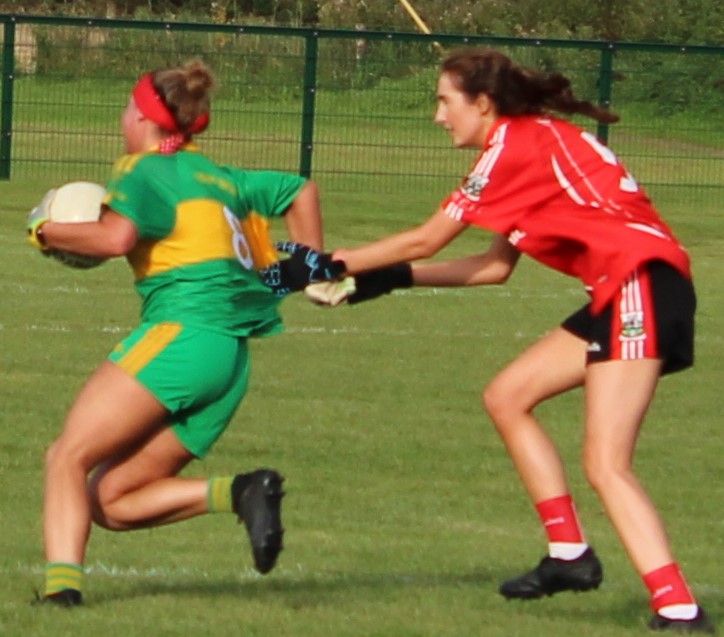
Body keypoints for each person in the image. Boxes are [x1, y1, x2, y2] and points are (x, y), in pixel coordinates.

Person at [274, 48, 714, 633]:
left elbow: (426, 239)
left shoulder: (512, 146)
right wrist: (376, 281)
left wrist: (325, 263)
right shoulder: (528, 142)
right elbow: (492, 267)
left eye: (444, 101)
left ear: (482, 103)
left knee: (606, 463)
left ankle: (679, 609)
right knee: (507, 396)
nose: (438, 116)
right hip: (627, 288)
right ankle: (569, 556)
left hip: (638, 284)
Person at [26, 60, 332, 607]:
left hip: (184, 337)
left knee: (66, 456)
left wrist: (46, 232)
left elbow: (116, 238)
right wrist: (311, 267)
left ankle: (60, 594)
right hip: (230, 361)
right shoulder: (220, 176)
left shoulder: (141, 169)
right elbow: (299, 190)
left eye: (127, 107)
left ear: (144, 118)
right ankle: (243, 492)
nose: (123, 117)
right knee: (110, 500)